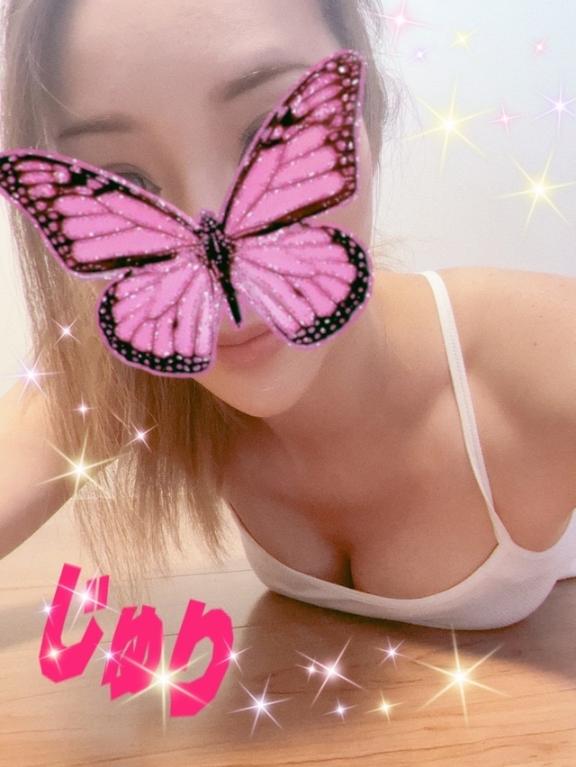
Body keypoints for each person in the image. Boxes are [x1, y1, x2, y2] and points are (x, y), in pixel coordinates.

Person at [1, 0, 575, 630]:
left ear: (363, 114)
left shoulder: (542, 348)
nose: (208, 224)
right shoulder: (122, 373)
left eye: (264, 133)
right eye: (124, 179)